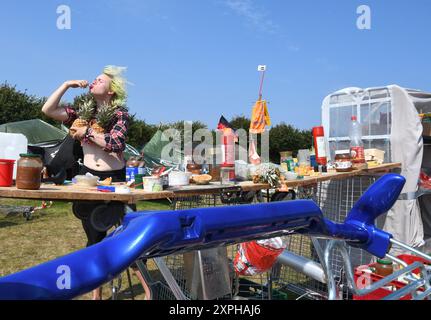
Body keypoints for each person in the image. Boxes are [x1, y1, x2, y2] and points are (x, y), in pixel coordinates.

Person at [42, 65, 130, 300]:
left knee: (127, 231)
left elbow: (116, 143)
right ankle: (96, 295)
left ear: (111, 91)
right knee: (94, 237)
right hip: (89, 178)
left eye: (100, 80)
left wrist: (87, 134)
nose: (94, 81)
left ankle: (141, 277)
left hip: (115, 180)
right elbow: (48, 109)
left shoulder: (119, 113)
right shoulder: (84, 114)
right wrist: (66, 85)